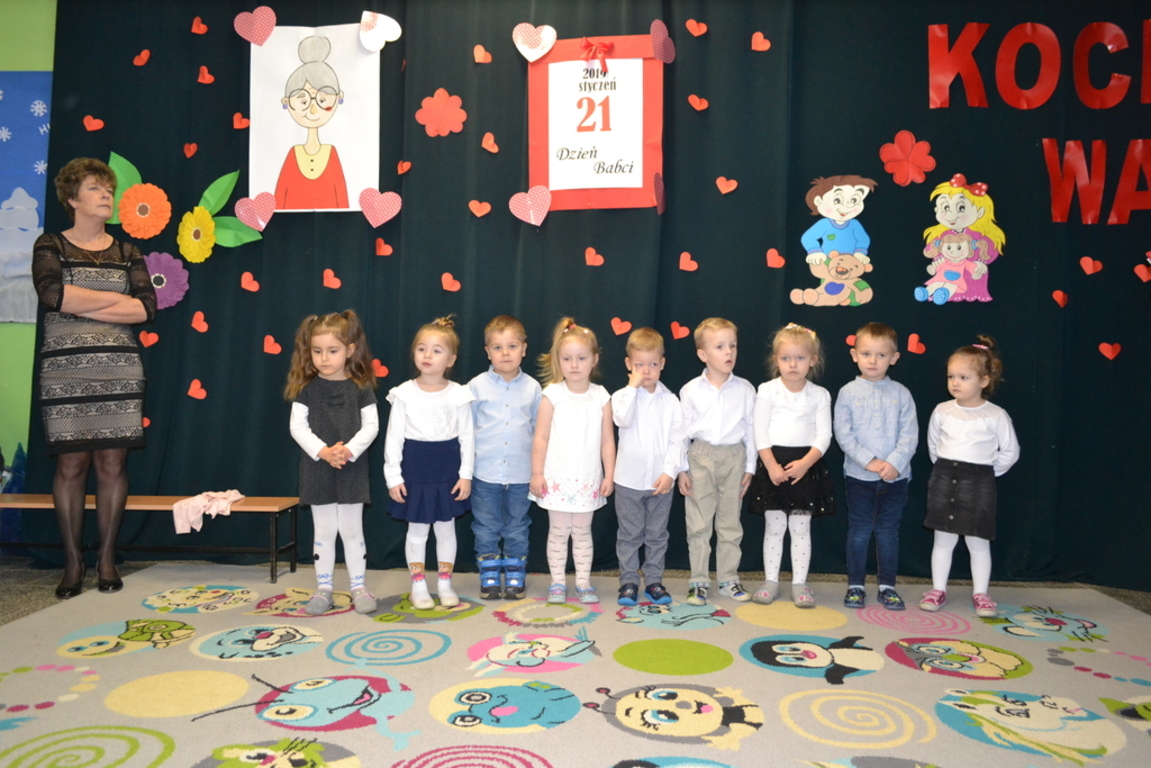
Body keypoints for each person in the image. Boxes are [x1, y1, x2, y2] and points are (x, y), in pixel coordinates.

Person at [32, 158, 157, 598]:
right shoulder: (50, 244)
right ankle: (72, 563)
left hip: (119, 370)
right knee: (71, 465)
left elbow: (146, 309)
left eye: (108, 189)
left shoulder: (127, 251)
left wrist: (80, 299)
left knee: (112, 464)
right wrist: (112, 300)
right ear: (72, 199)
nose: (106, 195)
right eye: (94, 188)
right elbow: (52, 294)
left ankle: (106, 559)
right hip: (64, 371)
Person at [285, 311, 379, 615]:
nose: (324, 358)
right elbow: (298, 427)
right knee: (324, 531)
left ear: (350, 350)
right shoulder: (306, 388)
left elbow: (372, 426)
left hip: (351, 468)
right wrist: (323, 452)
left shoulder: (361, 387)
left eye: (332, 350)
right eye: (317, 351)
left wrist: (348, 451)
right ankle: (323, 588)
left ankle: (358, 587)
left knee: (352, 530)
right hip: (317, 468)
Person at [920, 335, 1019, 617]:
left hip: (979, 481)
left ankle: (981, 593)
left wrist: (986, 473)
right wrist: (946, 469)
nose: (955, 383)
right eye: (951, 376)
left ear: (984, 381)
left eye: (964, 377)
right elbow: (933, 446)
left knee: (978, 541)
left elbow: (1010, 452)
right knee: (943, 540)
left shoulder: (995, 415)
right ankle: (938, 589)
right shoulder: (942, 411)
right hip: (943, 478)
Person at [384, 317, 474, 610]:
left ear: (451, 359)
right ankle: (418, 585)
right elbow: (394, 439)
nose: (428, 355)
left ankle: (445, 584)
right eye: (422, 348)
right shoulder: (403, 393)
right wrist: (393, 477)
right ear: (414, 353)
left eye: (437, 350)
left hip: (447, 470)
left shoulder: (459, 393)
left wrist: (466, 475)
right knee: (418, 530)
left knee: (446, 528)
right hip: (415, 469)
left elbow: (468, 438)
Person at [747, 323, 835, 608]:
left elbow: (824, 435)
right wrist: (771, 466)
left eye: (799, 358)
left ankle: (799, 583)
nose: (793, 364)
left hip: (804, 468)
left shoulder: (819, 395)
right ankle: (770, 581)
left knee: (800, 528)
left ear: (813, 360)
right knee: (774, 528)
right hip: (773, 464)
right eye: (786, 358)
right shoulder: (767, 391)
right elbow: (759, 432)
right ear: (776, 360)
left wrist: (805, 465)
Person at [529, 318, 615, 604]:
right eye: (567, 358)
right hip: (556, 478)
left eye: (581, 358)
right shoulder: (552, 395)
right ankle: (557, 583)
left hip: (587, 479)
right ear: (558, 360)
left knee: (582, 532)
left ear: (594, 360)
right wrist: (537, 473)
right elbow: (540, 438)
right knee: (558, 531)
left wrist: (609, 475)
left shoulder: (601, 396)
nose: (574, 365)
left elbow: (607, 441)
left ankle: (583, 582)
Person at [833, 323, 918, 610]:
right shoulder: (847, 392)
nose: (873, 360)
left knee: (887, 532)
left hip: (896, 478)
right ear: (854, 355)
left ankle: (887, 586)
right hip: (859, 476)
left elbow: (910, 435)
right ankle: (856, 585)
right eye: (867, 353)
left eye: (881, 355)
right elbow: (844, 435)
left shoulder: (902, 393)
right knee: (858, 531)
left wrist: (894, 463)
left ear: (894, 358)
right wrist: (870, 462)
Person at [677, 317, 756, 606]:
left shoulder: (746, 389)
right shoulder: (690, 390)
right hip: (701, 457)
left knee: (730, 522)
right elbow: (681, 433)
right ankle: (698, 580)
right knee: (698, 523)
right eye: (720, 346)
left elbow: (752, 430)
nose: (728, 352)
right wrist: (681, 469)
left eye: (732, 345)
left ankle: (728, 579)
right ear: (703, 354)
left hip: (734, 457)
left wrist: (750, 467)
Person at [468, 315, 541, 599]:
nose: (505, 353)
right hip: (484, 473)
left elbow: (539, 431)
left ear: (524, 349)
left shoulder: (533, 388)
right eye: (497, 347)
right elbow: (467, 430)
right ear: (487, 352)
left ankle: (514, 574)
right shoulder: (475, 386)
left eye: (512, 346)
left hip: (521, 474)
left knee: (517, 527)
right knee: (485, 527)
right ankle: (488, 575)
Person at [611, 327, 683, 606]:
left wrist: (670, 473)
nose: (646, 371)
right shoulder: (622, 396)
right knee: (629, 536)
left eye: (653, 364)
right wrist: (633, 387)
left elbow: (678, 440)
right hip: (628, 481)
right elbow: (622, 419)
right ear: (628, 364)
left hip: (660, 482)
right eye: (639, 365)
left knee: (656, 536)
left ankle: (654, 581)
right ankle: (629, 582)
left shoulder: (671, 401)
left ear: (662, 364)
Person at [274, 36, 349, 209]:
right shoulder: (293, 154)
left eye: (322, 100)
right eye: (303, 101)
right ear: (287, 102)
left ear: (338, 98)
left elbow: (342, 202)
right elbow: (279, 201)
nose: (313, 110)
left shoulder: (331, 153)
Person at [919, 174, 1005, 302]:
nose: (951, 214)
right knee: (939, 283)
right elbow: (932, 249)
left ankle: (944, 293)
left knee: (960, 286)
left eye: (961, 208)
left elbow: (989, 252)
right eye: (946, 207)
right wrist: (937, 261)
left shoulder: (981, 236)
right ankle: (928, 292)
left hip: (970, 275)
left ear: (980, 212)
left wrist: (980, 264)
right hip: (947, 270)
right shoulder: (941, 234)